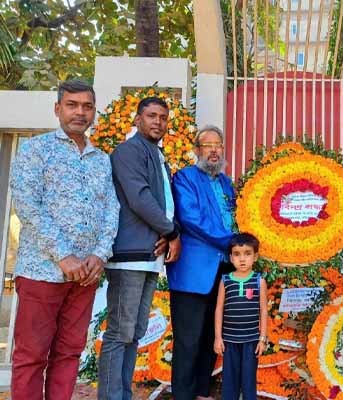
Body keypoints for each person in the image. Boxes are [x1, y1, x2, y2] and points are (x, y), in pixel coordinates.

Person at [9, 80, 120, 400]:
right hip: (42, 271)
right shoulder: (36, 149)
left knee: (69, 353)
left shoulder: (101, 159)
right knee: (31, 355)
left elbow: (111, 209)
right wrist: (63, 256)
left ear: (94, 112)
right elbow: (28, 206)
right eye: (72, 105)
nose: (80, 112)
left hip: (85, 276)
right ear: (58, 109)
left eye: (87, 106)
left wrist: (99, 255)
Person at [97, 96, 182, 400]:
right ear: (137, 119)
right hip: (129, 256)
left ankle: (123, 394)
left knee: (134, 332)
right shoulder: (129, 151)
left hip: (149, 255)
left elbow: (165, 202)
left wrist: (169, 233)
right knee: (120, 332)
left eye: (163, 117)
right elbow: (139, 198)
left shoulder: (157, 155)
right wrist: (171, 232)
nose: (158, 121)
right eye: (151, 115)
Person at [167, 125, 235, 400]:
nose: (214, 150)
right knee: (189, 338)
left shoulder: (227, 183)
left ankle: (202, 392)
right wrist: (233, 242)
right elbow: (191, 220)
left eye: (218, 145)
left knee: (211, 334)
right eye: (208, 146)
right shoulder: (185, 178)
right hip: (193, 272)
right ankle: (183, 395)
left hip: (225, 268)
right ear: (197, 150)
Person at [214, 233, 268, 400]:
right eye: (237, 254)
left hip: (251, 341)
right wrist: (218, 338)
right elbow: (219, 309)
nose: (242, 259)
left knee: (248, 381)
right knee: (229, 381)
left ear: (255, 256)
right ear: (231, 258)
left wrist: (262, 339)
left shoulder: (259, 281)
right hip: (229, 341)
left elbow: (263, 310)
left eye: (247, 253)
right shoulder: (225, 280)